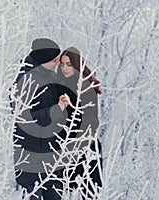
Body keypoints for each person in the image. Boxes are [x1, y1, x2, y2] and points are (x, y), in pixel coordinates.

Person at [11, 38, 69, 200]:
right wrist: (57, 109)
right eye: (55, 60)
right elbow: (23, 119)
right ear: (43, 61)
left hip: (52, 151)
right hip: (30, 155)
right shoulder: (25, 81)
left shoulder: (48, 75)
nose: (58, 63)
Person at [57, 47, 102, 198]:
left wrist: (72, 107)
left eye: (69, 64)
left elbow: (91, 122)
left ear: (76, 64)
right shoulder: (59, 84)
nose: (64, 68)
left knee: (86, 193)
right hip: (64, 147)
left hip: (85, 147)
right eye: (62, 64)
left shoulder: (86, 87)